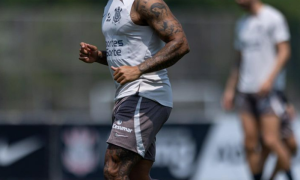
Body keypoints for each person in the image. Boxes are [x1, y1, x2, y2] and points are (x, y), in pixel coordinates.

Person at [78, 0, 190, 179]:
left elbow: (181, 43)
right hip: (128, 96)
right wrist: (98, 56)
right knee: (137, 175)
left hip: (146, 93)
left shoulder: (145, 2)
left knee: (113, 168)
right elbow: (129, 56)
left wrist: (139, 69)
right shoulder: (110, 4)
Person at [222, 0, 292, 180]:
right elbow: (238, 61)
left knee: (271, 141)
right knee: (250, 144)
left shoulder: (273, 17)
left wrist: (269, 80)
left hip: (268, 91)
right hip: (246, 92)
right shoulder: (242, 24)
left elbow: (284, 51)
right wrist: (230, 90)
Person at [260, 91, 297, 180]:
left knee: (292, 145)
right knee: (269, 145)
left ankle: (272, 177)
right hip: (263, 100)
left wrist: (287, 102)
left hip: (278, 98)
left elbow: (278, 84)